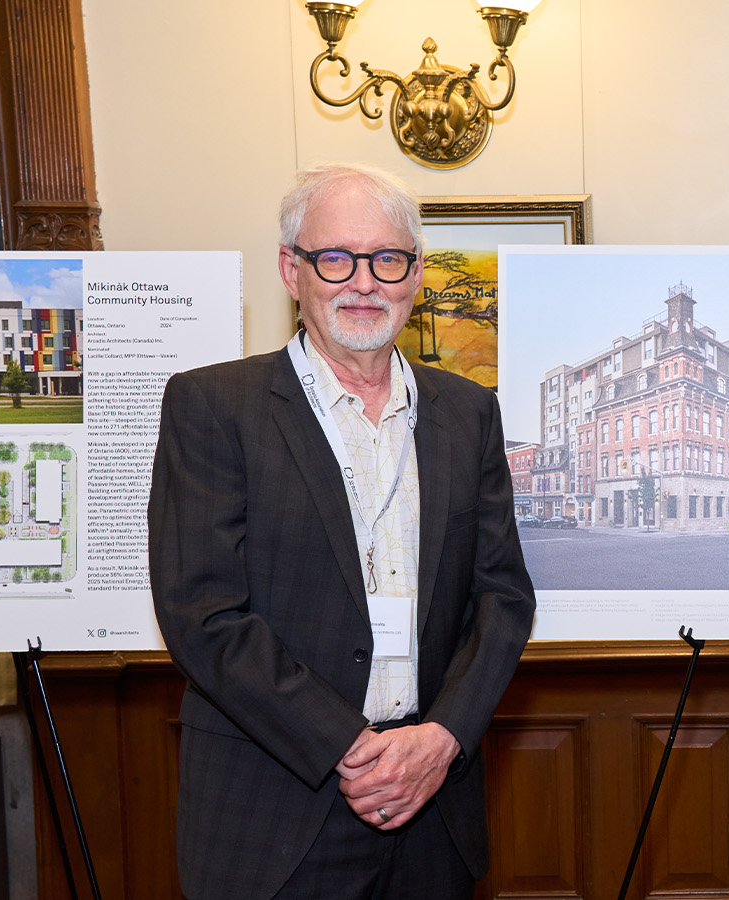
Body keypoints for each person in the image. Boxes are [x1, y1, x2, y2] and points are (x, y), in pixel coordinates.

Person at [148, 163, 536, 900]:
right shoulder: (213, 406)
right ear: (292, 272)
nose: (364, 281)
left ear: (415, 276)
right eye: (335, 258)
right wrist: (351, 749)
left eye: (387, 259)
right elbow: (202, 614)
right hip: (275, 807)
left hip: (433, 803)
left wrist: (442, 738)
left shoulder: (468, 412)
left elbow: (502, 598)